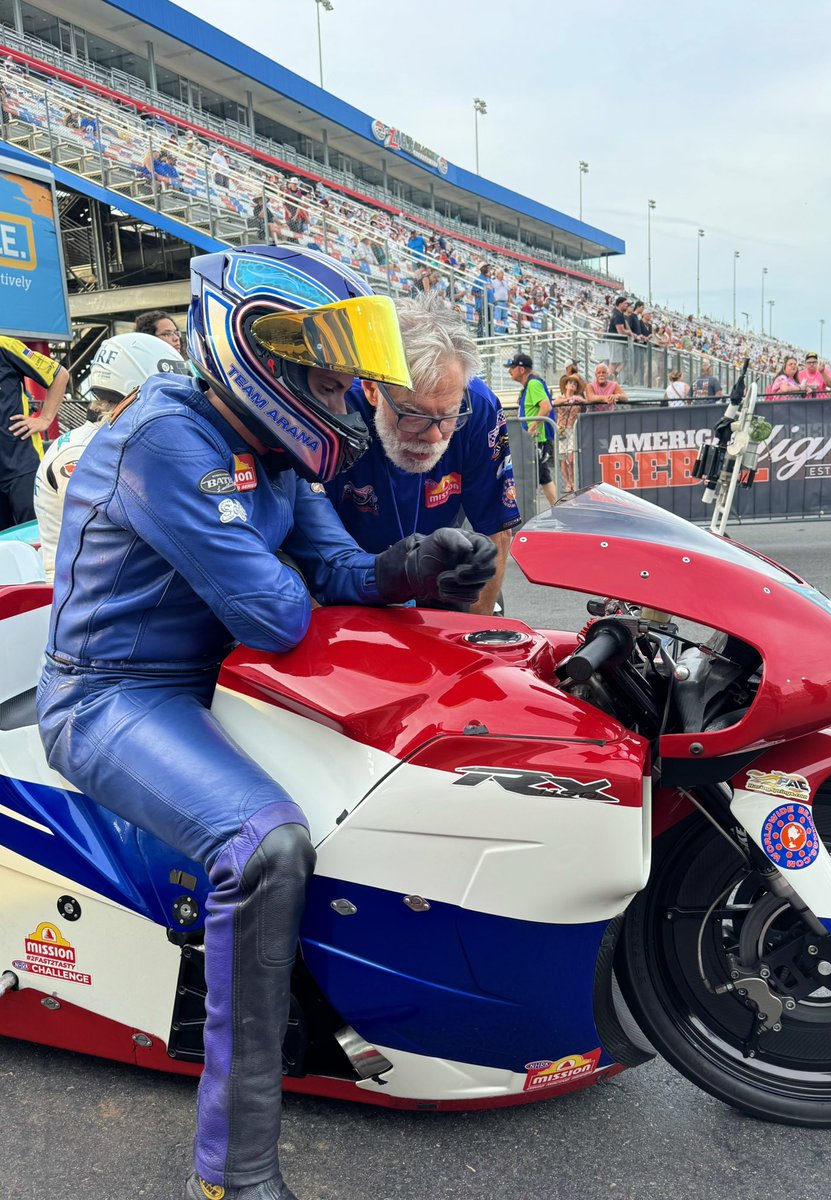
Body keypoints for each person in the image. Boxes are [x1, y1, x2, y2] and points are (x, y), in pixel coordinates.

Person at [36, 245, 496, 1200]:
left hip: (217, 686)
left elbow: (339, 571)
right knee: (266, 847)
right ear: (263, 353)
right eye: (327, 374)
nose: (341, 393)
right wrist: (299, 570)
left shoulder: (273, 446)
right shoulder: (169, 438)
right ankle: (231, 1170)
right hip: (110, 696)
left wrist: (419, 562)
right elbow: (279, 614)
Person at [322, 292, 519, 615]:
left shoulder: (479, 408)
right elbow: (311, 552)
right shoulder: (335, 411)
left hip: (442, 581)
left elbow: (496, 531)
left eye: (449, 416)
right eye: (413, 415)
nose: (434, 436)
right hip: (349, 587)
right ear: (373, 389)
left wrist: (474, 636)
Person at [34, 332, 188, 582]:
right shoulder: (80, 451)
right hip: (84, 588)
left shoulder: (112, 438)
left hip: (119, 577)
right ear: (134, 388)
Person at [0, 336, 69, 531]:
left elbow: (59, 374)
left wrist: (45, 419)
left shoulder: (5, 346)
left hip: (22, 464)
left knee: (38, 537)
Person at [506, 351, 556, 505]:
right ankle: (560, 509)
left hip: (536, 441)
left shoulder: (533, 384)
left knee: (531, 479)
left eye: (512, 367)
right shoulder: (530, 384)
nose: (509, 371)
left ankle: (527, 514)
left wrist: (532, 428)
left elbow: (545, 407)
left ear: (521, 370)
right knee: (544, 477)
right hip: (534, 440)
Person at [555, 375, 583, 493]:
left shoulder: (578, 398)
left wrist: (578, 399)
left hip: (572, 429)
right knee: (563, 457)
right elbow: (555, 403)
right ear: (565, 386)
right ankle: (567, 483)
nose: (572, 385)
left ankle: (573, 481)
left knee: (571, 458)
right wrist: (567, 400)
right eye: (570, 383)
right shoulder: (560, 397)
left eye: (575, 384)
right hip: (562, 430)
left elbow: (585, 402)